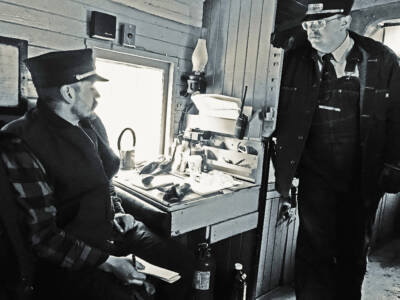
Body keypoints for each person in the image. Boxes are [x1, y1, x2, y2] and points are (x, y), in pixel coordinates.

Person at [1, 48, 195, 300]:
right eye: (91, 87)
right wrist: (107, 262)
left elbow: (104, 180)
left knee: (185, 265)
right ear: (68, 93)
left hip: (113, 232)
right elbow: (44, 237)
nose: (98, 94)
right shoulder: (20, 143)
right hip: (73, 257)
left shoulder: (90, 122)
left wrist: (118, 210)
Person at [273, 0, 400, 299]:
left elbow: (399, 116)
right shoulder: (296, 58)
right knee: (312, 252)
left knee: (351, 253)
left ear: (345, 21)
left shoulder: (382, 59)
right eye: (308, 21)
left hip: (362, 176)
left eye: (322, 20)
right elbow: (278, 32)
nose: (311, 28)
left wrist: (393, 168)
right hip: (315, 175)